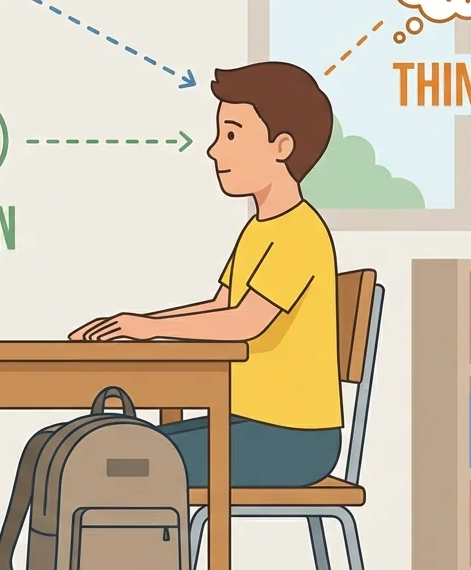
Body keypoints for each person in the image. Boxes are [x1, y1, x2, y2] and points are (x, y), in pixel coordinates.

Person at [68, 61, 343, 488]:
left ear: (281, 146)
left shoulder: (301, 233)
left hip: (294, 439)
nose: (215, 150)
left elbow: (245, 321)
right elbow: (221, 305)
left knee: (126, 459)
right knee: (116, 448)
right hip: (251, 423)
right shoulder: (259, 230)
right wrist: (140, 324)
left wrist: (150, 329)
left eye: (231, 135)